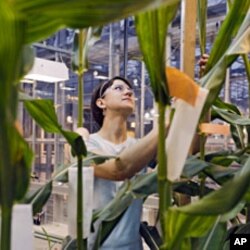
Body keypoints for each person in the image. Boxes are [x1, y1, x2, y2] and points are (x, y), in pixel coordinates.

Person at [86, 76, 167, 249]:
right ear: (101, 103)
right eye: (118, 88)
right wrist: (165, 123)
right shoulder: (85, 144)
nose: (128, 92)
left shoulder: (138, 147)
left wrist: (205, 88)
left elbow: (188, 153)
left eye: (130, 90)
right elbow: (118, 169)